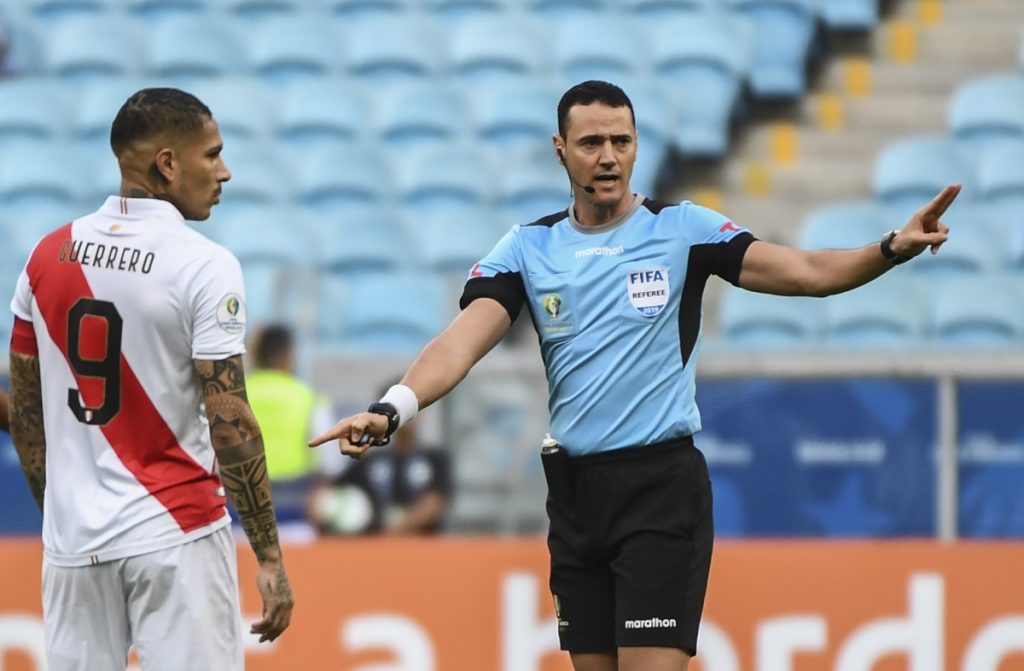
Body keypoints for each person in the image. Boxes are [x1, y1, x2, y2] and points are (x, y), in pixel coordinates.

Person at [309, 80, 958, 671]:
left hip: (659, 486)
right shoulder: (527, 249)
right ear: (560, 150)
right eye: (591, 142)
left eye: (621, 140)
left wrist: (891, 249)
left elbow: (809, 274)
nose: (608, 155)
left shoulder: (684, 230)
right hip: (575, 495)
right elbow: (461, 342)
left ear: (637, 145)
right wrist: (393, 406)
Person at [7, 87, 294, 671]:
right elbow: (230, 420)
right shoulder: (203, 264)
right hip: (176, 533)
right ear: (167, 164)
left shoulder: (44, 256)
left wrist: (61, 512)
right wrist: (268, 556)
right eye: (211, 155)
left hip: (73, 545)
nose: (225, 171)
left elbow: (26, 413)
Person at [309, 396, 451, 536]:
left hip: (423, 547)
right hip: (376, 549)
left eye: (411, 410)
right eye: (398, 410)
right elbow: (330, 486)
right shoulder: (372, 460)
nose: (406, 418)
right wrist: (319, 503)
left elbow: (434, 503)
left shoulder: (434, 458)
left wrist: (395, 532)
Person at [246, 323, 333, 527]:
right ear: (288, 355)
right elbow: (329, 460)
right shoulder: (308, 398)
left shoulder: (234, 398)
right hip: (294, 515)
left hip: (240, 515)